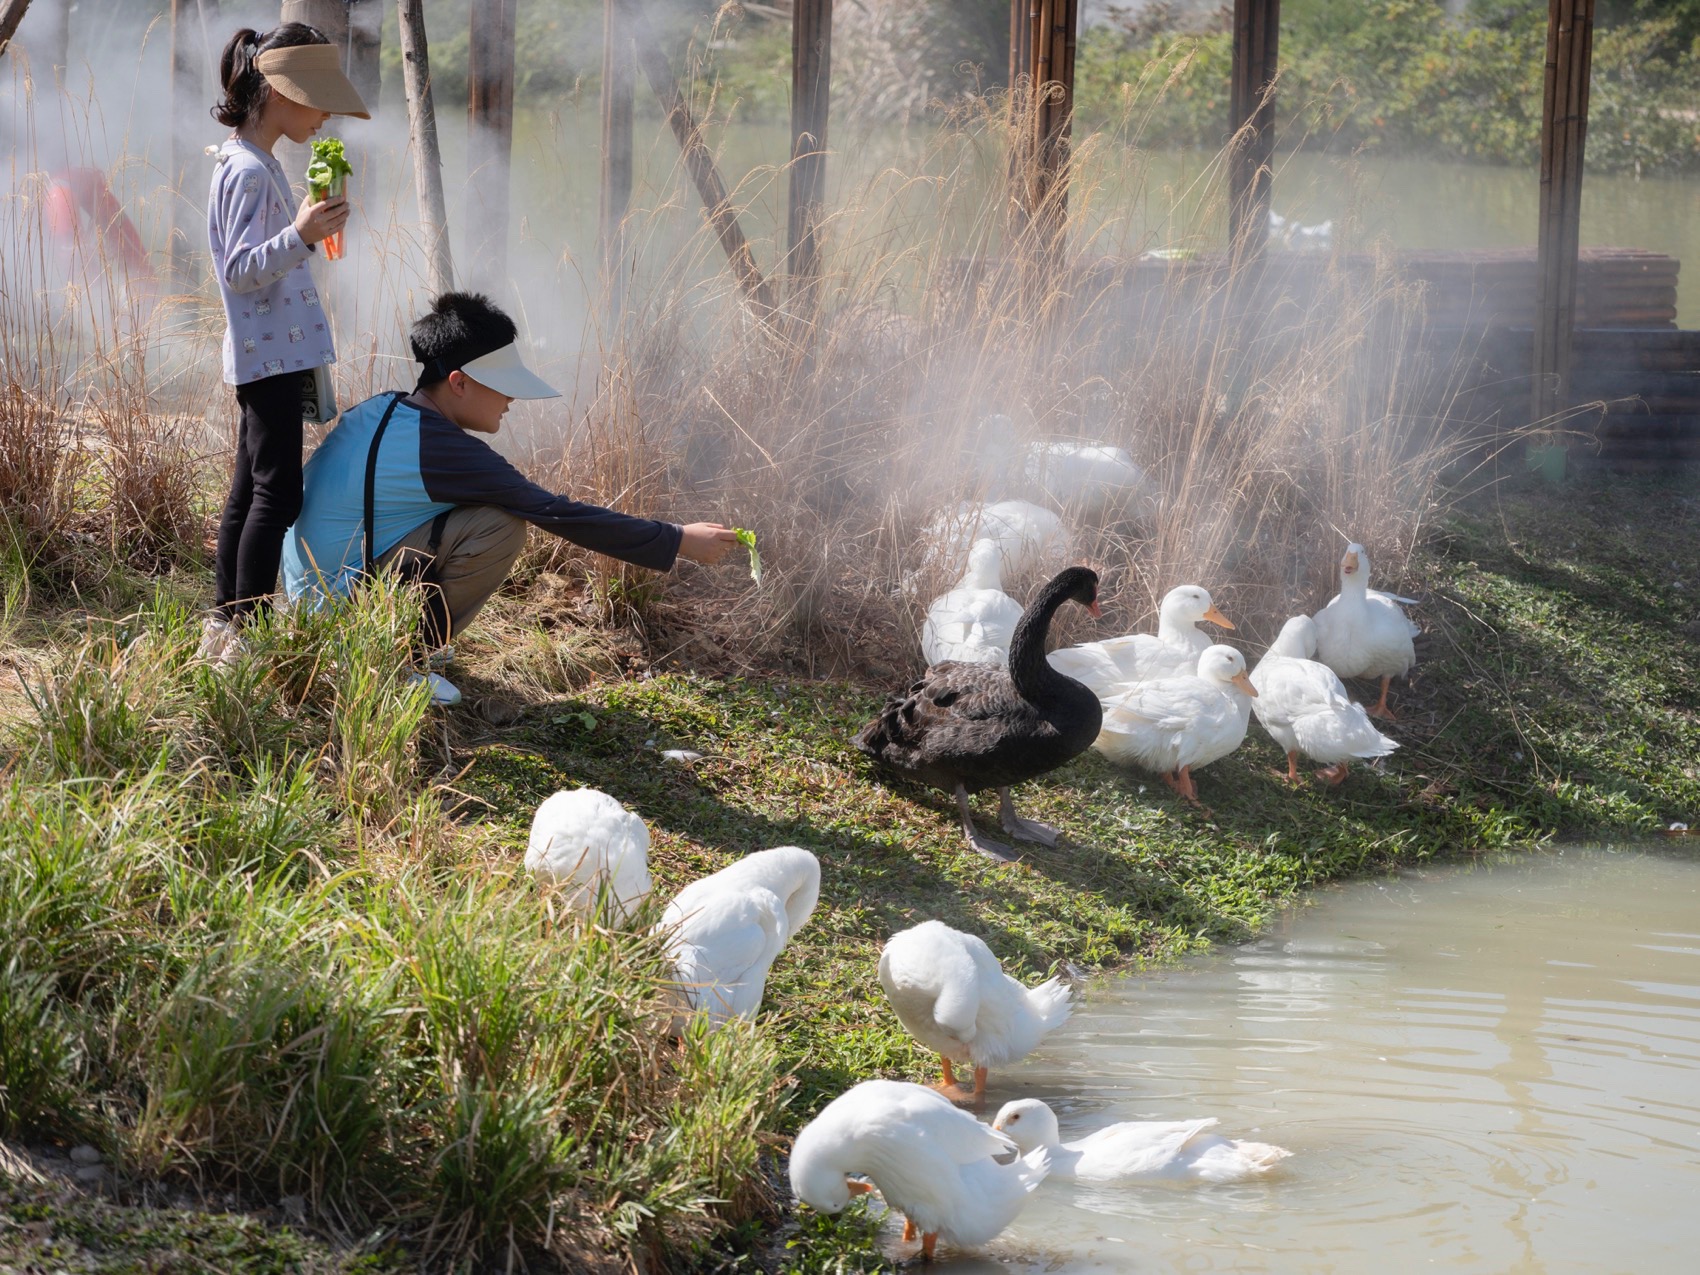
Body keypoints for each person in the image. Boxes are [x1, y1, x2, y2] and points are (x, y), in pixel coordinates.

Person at [281, 291, 740, 705]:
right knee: (499, 527)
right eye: (504, 387)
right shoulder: (441, 449)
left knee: (478, 515)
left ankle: (388, 641)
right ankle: (397, 662)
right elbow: (557, 513)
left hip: (305, 598)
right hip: (335, 621)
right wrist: (677, 538)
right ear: (458, 382)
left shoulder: (384, 406)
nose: (511, 400)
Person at [201, 22, 369, 659]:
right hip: (268, 354)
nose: (324, 115)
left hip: (270, 350)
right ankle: (244, 630)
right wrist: (298, 234)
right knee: (279, 493)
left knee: (251, 490)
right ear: (278, 90)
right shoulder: (247, 170)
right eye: (317, 98)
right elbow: (240, 271)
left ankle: (225, 625)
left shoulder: (251, 160)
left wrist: (304, 228)